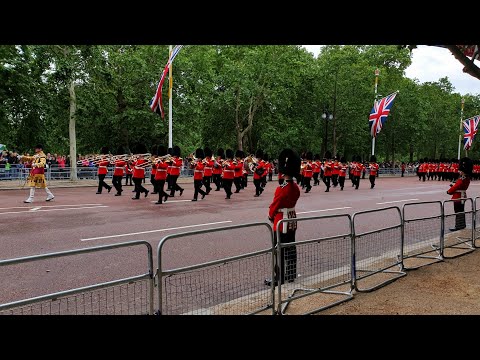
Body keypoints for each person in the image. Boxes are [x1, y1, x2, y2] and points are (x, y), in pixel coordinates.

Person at [265, 148, 301, 287]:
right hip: (291, 219)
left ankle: (278, 277)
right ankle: (291, 274)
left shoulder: (282, 188)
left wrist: (270, 215)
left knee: (278, 249)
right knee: (291, 248)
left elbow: (274, 205)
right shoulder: (295, 187)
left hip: (280, 221)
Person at [447, 157, 472, 231]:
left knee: (458, 212)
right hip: (462, 195)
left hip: (458, 197)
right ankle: (462, 225)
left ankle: (458, 226)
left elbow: (456, 186)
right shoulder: (467, 178)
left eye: (460, 170)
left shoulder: (462, 178)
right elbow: (459, 186)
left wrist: (449, 191)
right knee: (461, 211)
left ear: (463, 171)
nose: (459, 172)